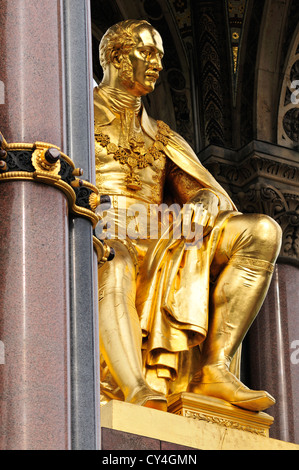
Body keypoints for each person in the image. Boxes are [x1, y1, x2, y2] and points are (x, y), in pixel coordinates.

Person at [94, 19, 282, 413]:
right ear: (114, 55)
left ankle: (214, 367)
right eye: (146, 52)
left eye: (160, 55)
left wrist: (202, 202)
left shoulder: (162, 135)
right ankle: (134, 388)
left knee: (263, 232)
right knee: (116, 260)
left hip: (164, 234)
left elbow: (204, 190)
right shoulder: (75, 114)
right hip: (101, 231)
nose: (157, 63)